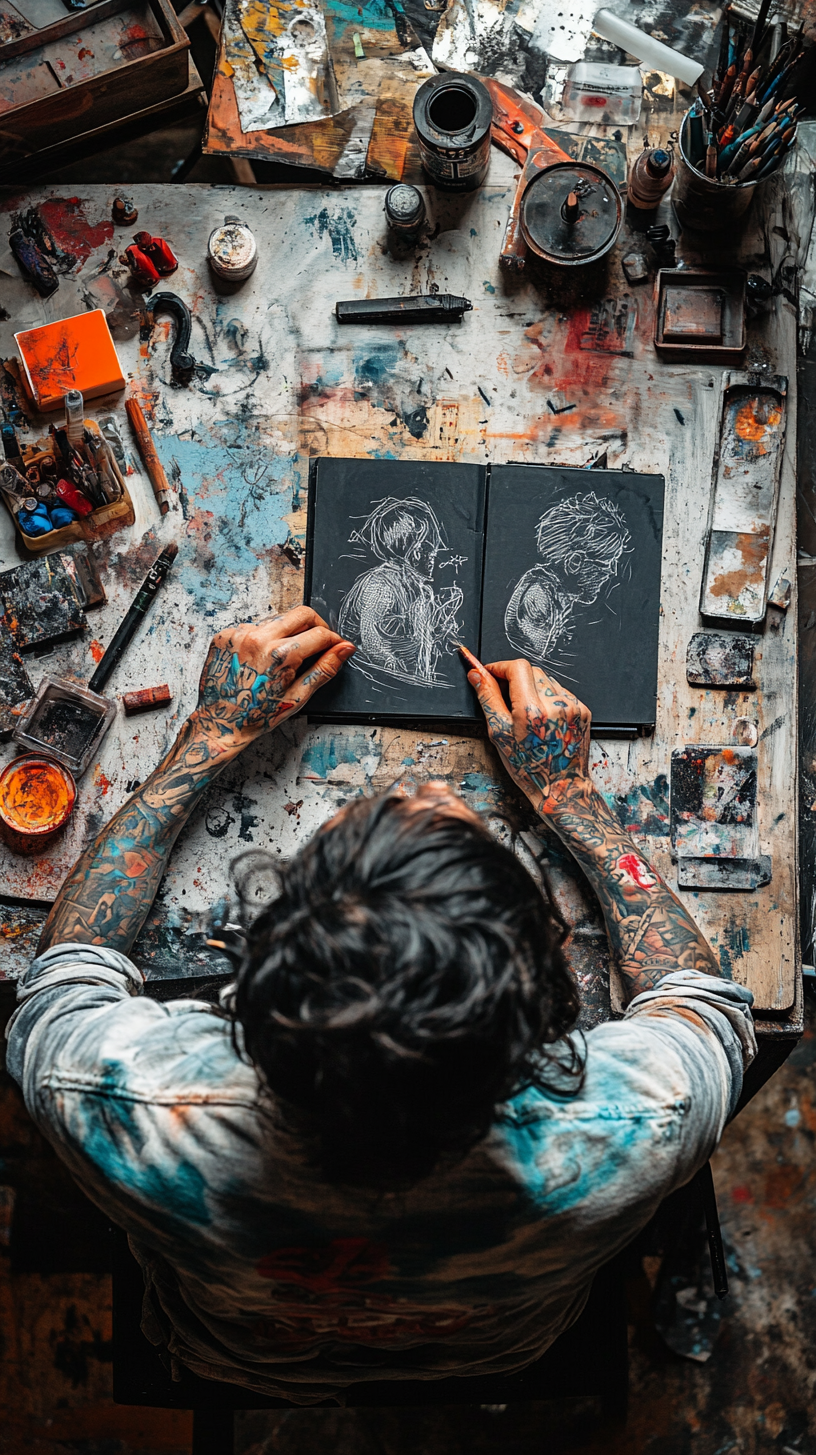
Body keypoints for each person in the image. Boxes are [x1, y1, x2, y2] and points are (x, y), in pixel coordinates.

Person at [6, 607, 755, 1404]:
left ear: (252, 973)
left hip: (239, 1356)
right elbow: (698, 1001)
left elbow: (67, 976)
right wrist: (568, 791)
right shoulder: (645, 1118)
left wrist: (211, 737)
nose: (427, 786)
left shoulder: (110, 1099)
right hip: (495, 1355)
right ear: (547, 1002)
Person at [339, 496, 463, 686]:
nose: (434, 555)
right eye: (427, 548)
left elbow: (417, 637)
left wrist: (442, 623)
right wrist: (400, 675)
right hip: (379, 685)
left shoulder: (420, 591)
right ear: (411, 551)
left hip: (413, 683)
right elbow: (372, 642)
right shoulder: (380, 585)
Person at [505, 491, 631, 661]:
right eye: (607, 563)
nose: (612, 572)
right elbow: (532, 661)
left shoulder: (559, 595)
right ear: (575, 562)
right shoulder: (538, 596)